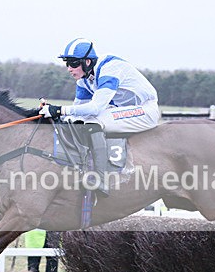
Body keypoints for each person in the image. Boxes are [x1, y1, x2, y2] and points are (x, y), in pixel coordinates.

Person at [40, 38, 160, 195]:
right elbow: (77, 111)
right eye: (66, 63)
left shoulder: (110, 68)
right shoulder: (83, 80)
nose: (69, 68)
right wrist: (54, 114)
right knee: (78, 121)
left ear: (87, 62)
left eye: (73, 63)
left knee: (93, 121)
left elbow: (95, 108)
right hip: (123, 109)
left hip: (146, 110)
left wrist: (60, 110)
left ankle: (100, 179)